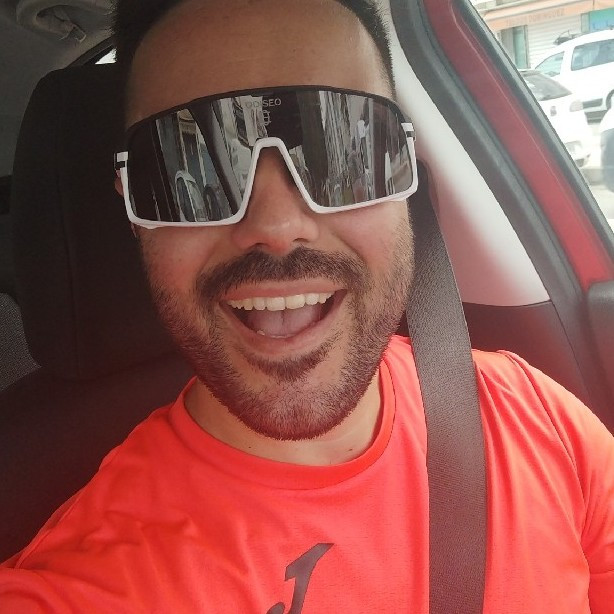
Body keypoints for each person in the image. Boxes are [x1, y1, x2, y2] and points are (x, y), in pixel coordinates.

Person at [1, 0, 613, 611]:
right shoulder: (86, 586)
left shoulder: (541, 420)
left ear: (406, 172)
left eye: (339, 147)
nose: (277, 226)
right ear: (134, 209)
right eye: (194, 167)